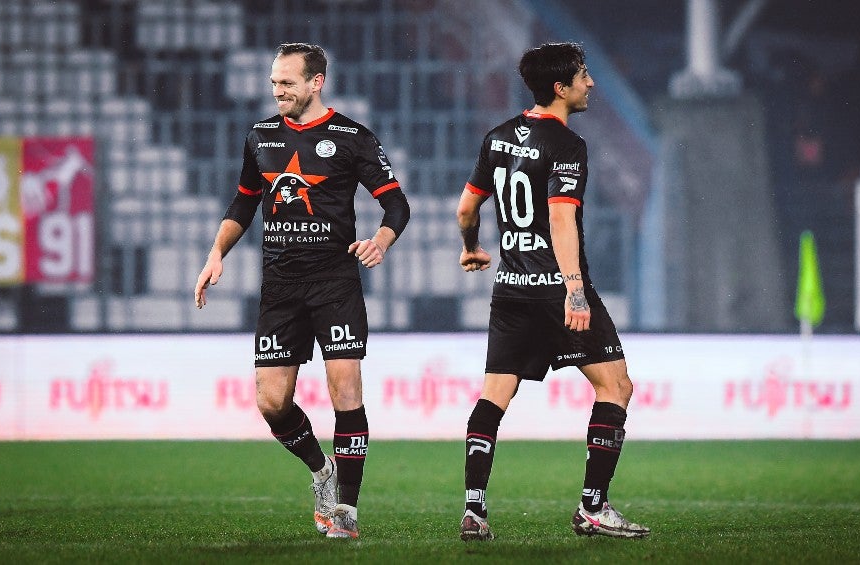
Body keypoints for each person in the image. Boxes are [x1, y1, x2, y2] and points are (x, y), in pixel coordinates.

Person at [194, 42, 410, 539]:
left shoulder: (351, 137)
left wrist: (380, 239)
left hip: (335, 282)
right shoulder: (261, 136)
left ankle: (347, 514)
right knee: (271, 402)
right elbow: (244, 202)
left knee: (345, 390)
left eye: (287, 82)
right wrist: (216, 253)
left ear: (316, 82)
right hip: (281, 286)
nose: (278, 91)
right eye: (274, 82)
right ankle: (322, 471)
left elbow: (397, 206)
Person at [455, 42, 650, 541]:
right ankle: (592, 507)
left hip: (510, 288)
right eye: (583, 76)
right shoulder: (567, 146)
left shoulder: (497, 137)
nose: (591, 83)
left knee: (493, 397)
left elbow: (465, 209)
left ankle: (474, 510)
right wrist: (576, 291)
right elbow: (562, 220)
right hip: (554, 290)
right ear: (560, 88)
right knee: (616, 387)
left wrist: (473, 248)